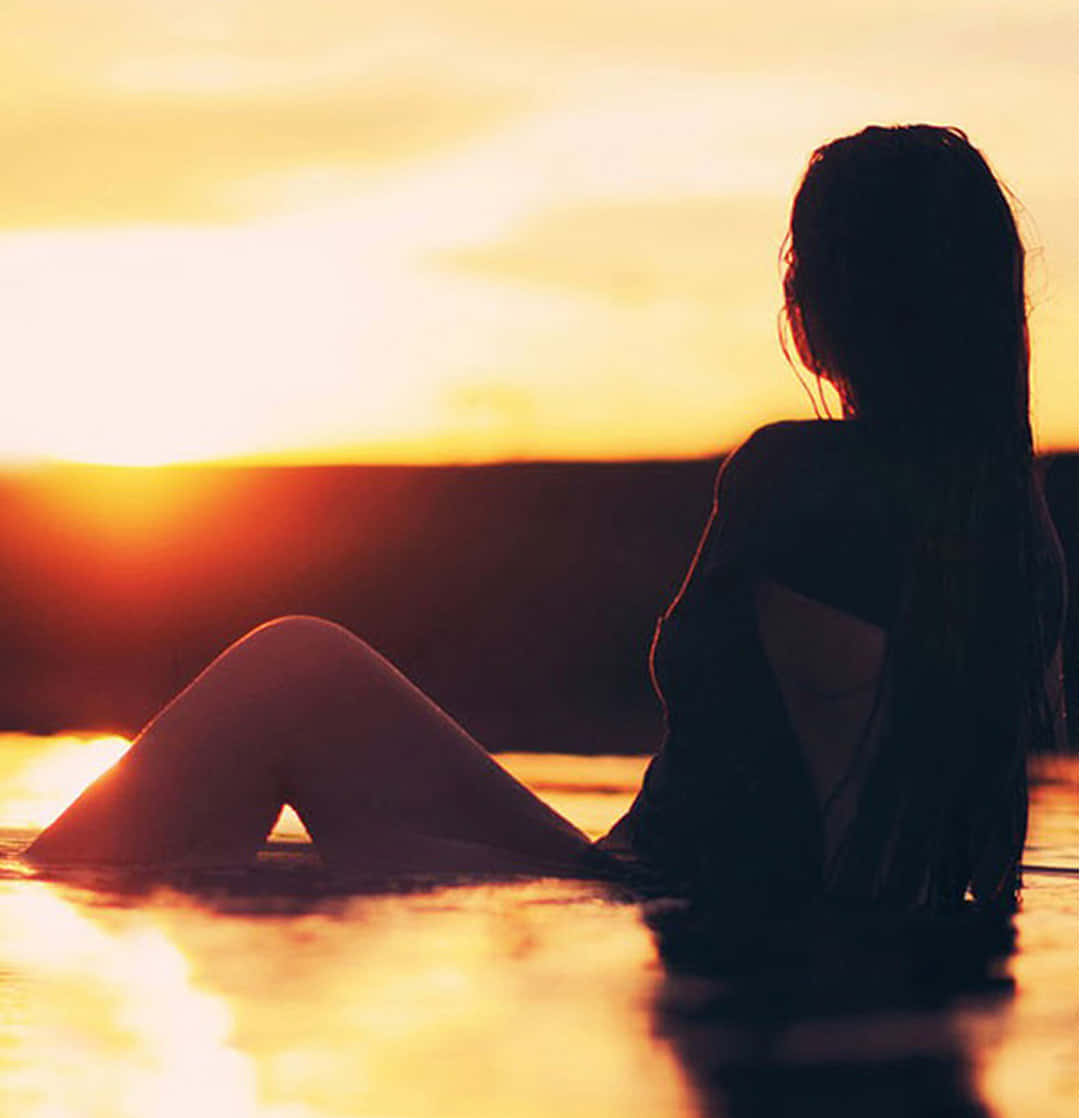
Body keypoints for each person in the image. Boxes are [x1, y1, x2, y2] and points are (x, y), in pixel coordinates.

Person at [28, 125, 1066, 910]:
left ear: (823, 307)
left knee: (292, 668)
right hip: (655, 895)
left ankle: (45, 911)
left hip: (654, 904)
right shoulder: (1013, 539)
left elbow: (842, 846)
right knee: (249, 847)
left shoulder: (806, 484)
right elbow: (962, 848)